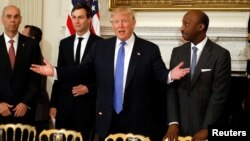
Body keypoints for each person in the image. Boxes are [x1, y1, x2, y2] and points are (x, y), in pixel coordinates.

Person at [30, 6, 189, 141]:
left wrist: (170, 75)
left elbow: (159, 74)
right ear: (112, 24)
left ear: (133, 23)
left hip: (138, 120)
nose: (120, 25)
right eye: (116, 22)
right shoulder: (101, 47)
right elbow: (82, 70)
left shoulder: (149, 49)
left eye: (125, 21)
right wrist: (55, 71)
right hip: (107, 118)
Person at [164, 10, 231, 141]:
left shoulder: (220, 55)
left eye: (186, 24)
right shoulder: (177, 52)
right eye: (182, 23)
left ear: (201, 27)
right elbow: (171, 89)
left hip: (205, 127)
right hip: (179, 127)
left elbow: (219, 95)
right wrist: (173, 122)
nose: (181, 28)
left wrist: (207, 128)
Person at [49, 3, 102, 141]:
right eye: (73, 17)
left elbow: (104, 77)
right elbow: (59, 74)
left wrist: (88, 89)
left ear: (89, 19)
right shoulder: (64, 43)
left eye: (80, 17)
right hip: (64, 106)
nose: (76, 21)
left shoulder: (101, 44)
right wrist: (53, 103)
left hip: (87, 107)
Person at [0, 5, 42, 125]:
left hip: (24, 112)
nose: (12, 20)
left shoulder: (32, 44)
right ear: (2, 19)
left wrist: (25, 102)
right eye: (8, 16)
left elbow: (36, 77)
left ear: (21, 19)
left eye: (16, 16)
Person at [22, 25, 50, 140]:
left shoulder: (37, 59)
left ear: (32, 40)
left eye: (23, 35)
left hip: (37, 112)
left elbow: (34, 86)